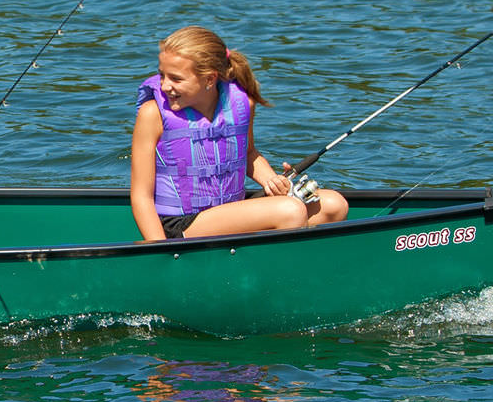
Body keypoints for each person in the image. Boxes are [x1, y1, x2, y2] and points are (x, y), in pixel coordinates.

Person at [131, 26, 349, 241]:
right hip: (180, 224)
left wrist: (272, 180)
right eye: (162, 75)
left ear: (209, 79)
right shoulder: (152, 114)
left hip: (228, 211)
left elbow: (249, 154)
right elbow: (141, 196)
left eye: (176, 79)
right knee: (290, 211)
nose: (165, 86)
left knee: (334, 205)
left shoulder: (243, 105)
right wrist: (159, 248)